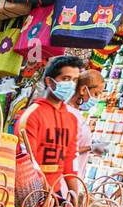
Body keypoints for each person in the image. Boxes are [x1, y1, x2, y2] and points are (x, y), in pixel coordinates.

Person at [16, 55, 84, 194]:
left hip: (55, 192)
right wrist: (45, 195)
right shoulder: (32, 115)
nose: (71, 84)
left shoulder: (71, 119)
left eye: (75, 80)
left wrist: (75, 194)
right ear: (49, 81)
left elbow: (70, 159)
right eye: (65, 79)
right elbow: (27, 161)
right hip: (29, 192)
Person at [68, 69, 105, 179]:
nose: (96, 98)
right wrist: (91, 147)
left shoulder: (77, 113)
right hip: (65, 181)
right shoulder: (68, 113)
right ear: (84, 89)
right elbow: (66, 151)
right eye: (95, 94)